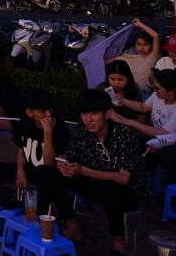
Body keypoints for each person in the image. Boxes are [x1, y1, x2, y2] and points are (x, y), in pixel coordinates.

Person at [0, 88, 76, 238]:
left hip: (52, 174)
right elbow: (22, 150)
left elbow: (48, 163)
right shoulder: (25, 122)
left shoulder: (57, 126)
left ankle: (39, 224)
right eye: (42, 112)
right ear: (30, 112)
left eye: (49, 109)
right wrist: (20, 170)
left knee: (44, 174)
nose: (48, 114)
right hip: (30, 168)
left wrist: (48, 132)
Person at [56, 89, 150, 256]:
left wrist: (83, 170)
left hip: (130, 191)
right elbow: (70, 155)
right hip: (95, 183)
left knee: (109, 187)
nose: (88, 119)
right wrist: (65, 165)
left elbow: (123, 178)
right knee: (53, 174)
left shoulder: (125, 133)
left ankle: (119, 242)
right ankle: (72, 227)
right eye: (84, 113)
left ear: (107, 113)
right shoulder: (82, 130)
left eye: (94, 113)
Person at [110, 69, 176, 144]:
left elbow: (160, 133)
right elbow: (143, 107)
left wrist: (130, 122)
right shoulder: (159, 95)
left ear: (172, 91)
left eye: (158, 89)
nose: (155, 90)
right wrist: (122, 100)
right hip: (161, 141)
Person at [108, 18, 161, 96]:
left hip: (144, 92)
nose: (141, 48)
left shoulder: (152, 56)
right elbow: (106, 62)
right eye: (138, 44)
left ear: (151, 46)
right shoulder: (127, 57)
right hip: (127, 91)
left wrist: (139, 24)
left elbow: (156, 36)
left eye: (145, 45)